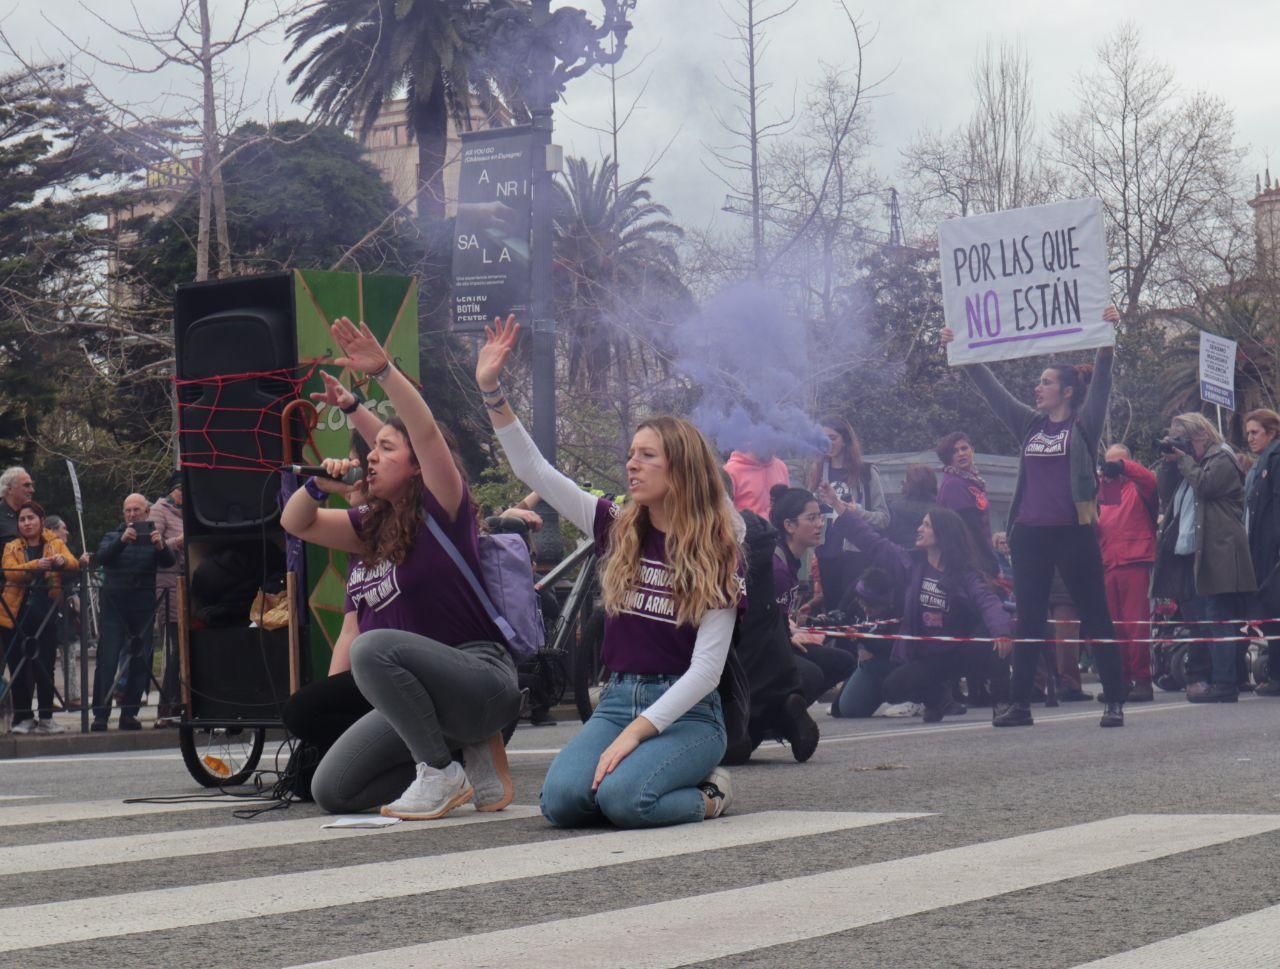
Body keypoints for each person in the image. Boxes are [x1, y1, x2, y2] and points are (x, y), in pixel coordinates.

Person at [479, 316, 740, 828]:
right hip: (619, 698)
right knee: (562, 804)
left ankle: (712, 790)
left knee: (626, 802)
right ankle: (642, 770)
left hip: (688, 711)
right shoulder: (614, 524)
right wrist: (491, 389)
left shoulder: (719, 549)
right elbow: (535, 472)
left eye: (647, 456)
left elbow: (707, 672)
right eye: (630, 456)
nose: (631, 466)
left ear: (680, 468)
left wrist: (636, 733)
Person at [282, 319, 522, 820]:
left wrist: (385, 372)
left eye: (384, 452)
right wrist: (318, 487)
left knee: (374, 645)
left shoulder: (444, 509)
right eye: (370, 451)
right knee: (332, 790)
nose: (369, 459)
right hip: (422, 699)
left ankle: (441, 771)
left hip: (479, 678)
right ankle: (452, 759)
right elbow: (296, 523)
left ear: (416, 468)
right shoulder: (369, 524)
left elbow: (422, 434)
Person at [942, 307, 1128, 728]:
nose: (1037, 387)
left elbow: (1102, 382)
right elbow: (991, 393)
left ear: (1065, 392)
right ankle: (1020, 704)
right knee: (1028, 619)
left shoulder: (1084, 425)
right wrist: (961, 351)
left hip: (1074, 533)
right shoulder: (1029, 424)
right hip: (1029, 535)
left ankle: (1114, 700)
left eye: (1045, 382)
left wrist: (1106, 338)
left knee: (1095, 614)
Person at [830, 505, 1013, 722]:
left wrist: (1001, 632)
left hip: (963, 651)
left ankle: (1002, 701)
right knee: (893, 688)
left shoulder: (966, 574)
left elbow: (988, 602)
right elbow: (875, 544)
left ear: (942, 534)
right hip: (929, 657)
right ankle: (935, 699)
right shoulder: (911, 564)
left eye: (926, 525)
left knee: (995, 635)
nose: (919, 528)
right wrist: (842, 510)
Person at [1151, 413, 1256, 703]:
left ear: (1200, 434)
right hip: (1193, 554)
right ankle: (1215, 676)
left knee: (1218, 618)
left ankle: (1225, 683)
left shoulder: (1222, 458)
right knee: (1201, 620)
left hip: (1217, 552)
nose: (1178, 443)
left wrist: (1184, 460)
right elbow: (1166, 493)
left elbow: (1207, 486)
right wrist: (1169, 463)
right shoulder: (1192, 464)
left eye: (1182, 437)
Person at [90, 494, 175, 731]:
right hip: (114, 607)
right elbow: (103, 557)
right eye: (127, 510)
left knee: (141, 659)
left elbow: (168, 561)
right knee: (108, 660)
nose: (132, 514)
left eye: (136, 510)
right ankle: (101, 714)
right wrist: (122, 541)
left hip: (143, 606)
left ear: (147, 513)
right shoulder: (112, 535)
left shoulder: (153, 537)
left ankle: (129, 713)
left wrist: (160, 545)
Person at [770, 485, 857, 703]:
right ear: (789, 525)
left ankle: (788, 711)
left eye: (820, 516)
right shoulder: (776, 566)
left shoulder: (793, 561)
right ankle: (768, 714)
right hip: (761, 650)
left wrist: (791, 625)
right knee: (810, 674)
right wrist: (785, 636)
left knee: (843, 661)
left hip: (780, 639)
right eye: (811, 518)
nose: (820, 524)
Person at [1, 501, 78, 733]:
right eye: (22, 519)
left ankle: (46, 717)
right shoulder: (12, 546)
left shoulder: (54, 543)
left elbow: (73, 563)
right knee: (17, 665)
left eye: (31, 518)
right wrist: (36, 565)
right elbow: (10, 571)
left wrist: (62, 562)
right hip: (16, 613)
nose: (26, 523)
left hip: (46, 612)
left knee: (45, 665)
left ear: (41, 521)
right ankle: (22, 718)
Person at [809, 416, 890, 612]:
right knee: (831, 612)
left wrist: (858, 512)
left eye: (833, 437)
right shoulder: (817, 471)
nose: (828, 443)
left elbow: (884, 518)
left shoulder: (866, 472)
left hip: (857, 555)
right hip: (826, 553)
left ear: (845, 439)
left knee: (853, 612)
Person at [1097, 444, 1158, 702]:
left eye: (1119, 462)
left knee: (1136, 626)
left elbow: (1149, 478)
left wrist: (1122, 467)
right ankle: (1121, 680)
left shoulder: (1139, 487)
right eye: (1109, 463)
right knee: (1115, 628)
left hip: (1134, 562)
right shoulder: (1106, 493)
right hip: (1109, 565)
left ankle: (1142, 680)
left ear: (1129, 462)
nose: (1113, 467)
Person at [1242, 409, 1280, 696]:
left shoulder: (1276, 460)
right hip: (1262, 547)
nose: (1250, 437)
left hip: (1274, 547)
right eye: (1248, 432)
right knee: (1270, 610)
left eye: (1255, 432)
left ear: (1271, 431)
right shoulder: (1262, 463)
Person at [831, 568, 900, 718]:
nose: (866, 610)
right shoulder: (855, 599)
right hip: (869, 663)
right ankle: (877, 693)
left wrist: (862, 639)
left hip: (893, 660)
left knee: (852, 709)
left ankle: (913, 697)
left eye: (873, 606)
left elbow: (896, 647)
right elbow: (842, 617)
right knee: (842, 710)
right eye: (863, 604)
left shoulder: (899, 608)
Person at [149, 472, 185, 727]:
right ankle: (167, 706)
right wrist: (178, 542)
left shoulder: (192, 511)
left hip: (189, 582)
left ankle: (184, 703)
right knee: (172, 650)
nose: (183, 495)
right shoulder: (159, 510)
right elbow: (153, 544)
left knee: (186, 650)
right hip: (169, 585)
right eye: (181, 490)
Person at [935, 432, 998, 576]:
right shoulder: (954, 484)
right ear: (948, 457)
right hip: (970, 563)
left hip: (979, 558)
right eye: (954, 451)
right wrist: (991, 563)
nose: (961, 454)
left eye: (964, 448)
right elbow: (970, 529)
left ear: (972, 450)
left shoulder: (972, 481)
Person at [724, 447, 790, 518]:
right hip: (747, 527)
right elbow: (725, 515)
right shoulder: (730, 471)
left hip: (780, 527)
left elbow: (788, 503)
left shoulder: (780, 466)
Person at [885, 465, 938, 550]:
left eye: (904, 481)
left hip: (901, 556)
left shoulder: (893, 507)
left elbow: (889, 537)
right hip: (929, 555)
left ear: (908, 484)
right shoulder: (941, 509)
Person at [0, 467, 35, 544]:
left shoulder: (34, 515)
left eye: (32, 485)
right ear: (10, 489)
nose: (32, 490)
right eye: (27, 485)